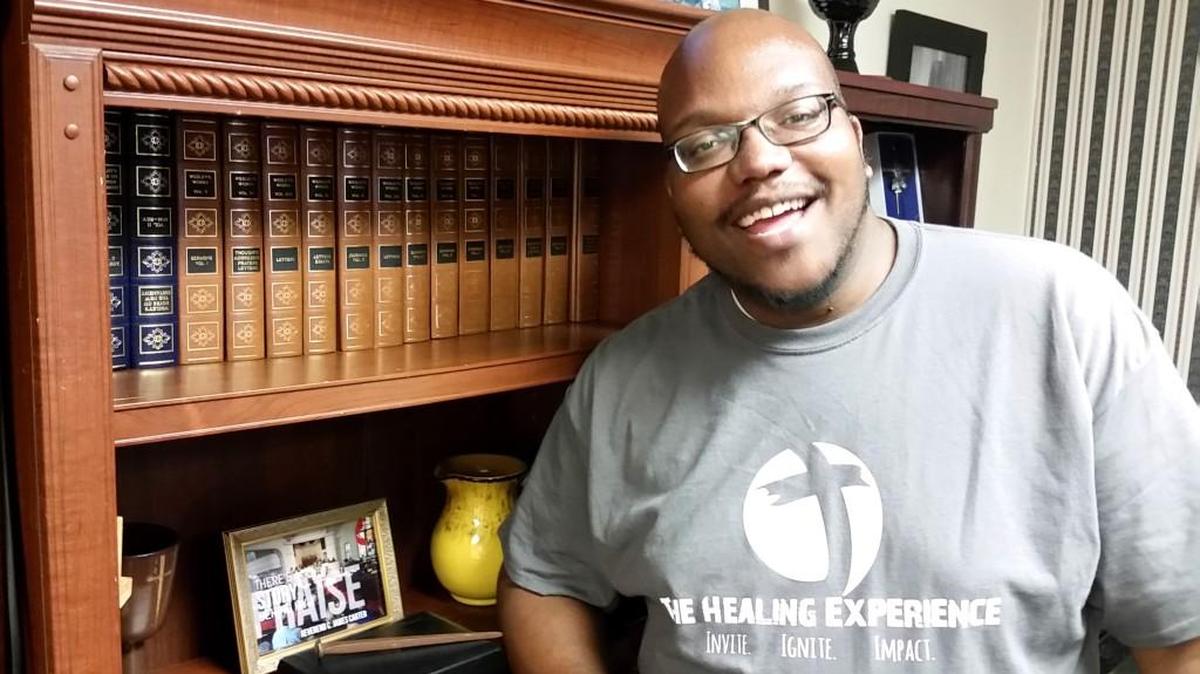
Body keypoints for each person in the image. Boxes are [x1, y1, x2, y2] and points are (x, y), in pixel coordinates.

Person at [498, 9, 1200, 673]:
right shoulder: (623, 377)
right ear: (675, 194)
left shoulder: (1063, 314)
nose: (758, 161)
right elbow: (543, 580)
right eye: (705, 143)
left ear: (857, 140)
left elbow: (1183, 631)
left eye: (798, 114)